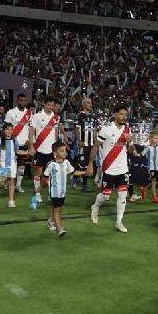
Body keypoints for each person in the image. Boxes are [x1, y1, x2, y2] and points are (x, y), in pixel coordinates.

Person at [87, 103, 131, 233]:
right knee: (106, 196)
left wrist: (130, 143)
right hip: (109, 168)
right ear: (115, 114)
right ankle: (95, 206)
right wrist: (90, 164)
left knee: (123, 195)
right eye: (121, 114)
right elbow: (95, 146)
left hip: (123, 168)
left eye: (125, 115)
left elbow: (128, 148)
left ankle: (119, 221)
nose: (124, 117)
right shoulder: (106, 129)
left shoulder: (127, 129)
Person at [45, 141, 86, 237]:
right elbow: (45, 175)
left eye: (65, 151)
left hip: (62, 191)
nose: (65, 153)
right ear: (55, 153)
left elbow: (73, 172)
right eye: (62, 151)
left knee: (57, 207)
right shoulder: (51, 165)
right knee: (58, 209)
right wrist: (47, 186)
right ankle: (60, 228)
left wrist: (85, 172)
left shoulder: (66, 163)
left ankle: (50, 220)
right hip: (54, 192)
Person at [28, 98, 60, 203]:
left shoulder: (55, 117)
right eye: (49, 105)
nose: (50, 107)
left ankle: (50, 194)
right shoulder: (36, 116)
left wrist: (56, 148)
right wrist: (31, 146)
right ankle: (37, 193)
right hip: (39, 149)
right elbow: (31, 131)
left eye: (52, 105)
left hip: (51, 151)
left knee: (50, 174)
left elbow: (55, 133)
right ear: (44, 104)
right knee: (39, 173)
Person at [0, 123, 29, 208]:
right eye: (8, 129)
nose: (9, 131)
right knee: (2, 182)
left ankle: (11, 201)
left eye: (11, 130)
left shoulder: (14, 140)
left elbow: (17, 151)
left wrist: (27, 153)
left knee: (12, 180)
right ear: (4, 130)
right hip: (2, 164)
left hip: (12, 163)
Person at [5, 93, 33, 193]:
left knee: (21, 166)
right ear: (17, 101)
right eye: (21, 100)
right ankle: (7, 182)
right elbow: (6, 128)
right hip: (12, 143)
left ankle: (18, 185)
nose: (23, 102)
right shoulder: (11, 112)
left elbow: (31, 128)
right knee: (10, 164)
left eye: (24, 100)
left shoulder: (29, 113)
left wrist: (30, 140)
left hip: (24, 143)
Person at [75, 98, 97, 192]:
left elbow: (95, 130)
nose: (90, 104)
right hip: (83, 144)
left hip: (91, 145)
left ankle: (84, 183)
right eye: (88, 103)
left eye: (90, 103)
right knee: (82, 164)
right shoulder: (79, 116)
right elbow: (76, 129)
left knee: (88, 164)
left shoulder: (93, 116)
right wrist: (79, 141)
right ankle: (76, 178)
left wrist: (96, 142)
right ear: (83, 105)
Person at [146, 132, 158, 204]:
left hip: (156, 167)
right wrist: (137, 154)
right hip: (150, 167)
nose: (156, 140)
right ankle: (154, 197)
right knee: (153, 181)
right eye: (155, 138)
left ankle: (145, 188)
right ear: (150, 139)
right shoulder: (148, 148)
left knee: (155, 181)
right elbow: (142, 154)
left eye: (157, 138)